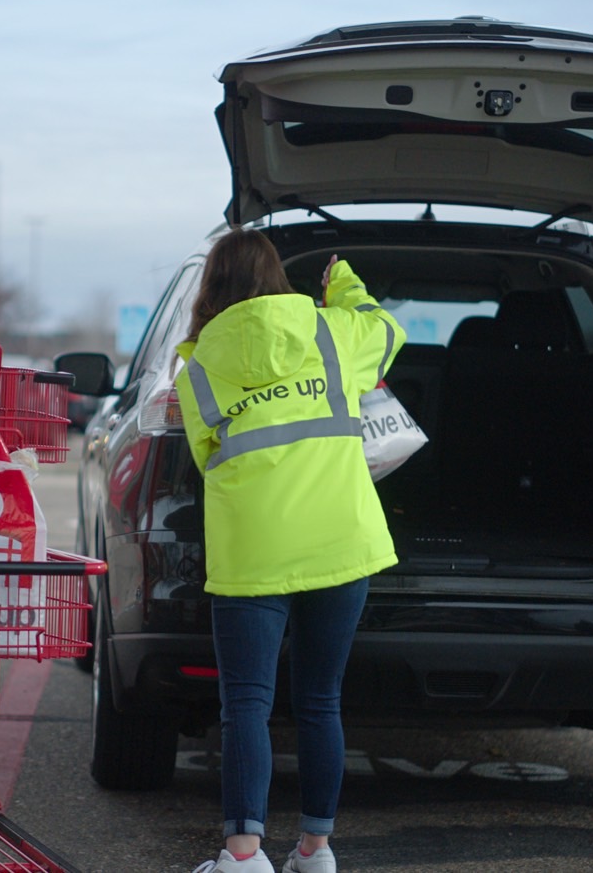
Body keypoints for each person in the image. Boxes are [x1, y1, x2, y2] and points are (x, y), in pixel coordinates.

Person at [174, 228, 404, 873]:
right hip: (340, 538)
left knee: (246, 701)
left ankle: (243, 856)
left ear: (210, 288)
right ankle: (315, 850)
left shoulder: (196, 370)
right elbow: (386, 329)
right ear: (278, 278)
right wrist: (344, 287)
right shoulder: (333, 332)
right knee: (321, 699)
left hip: (252, 549)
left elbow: (205, 457)